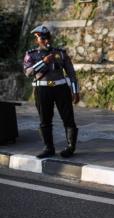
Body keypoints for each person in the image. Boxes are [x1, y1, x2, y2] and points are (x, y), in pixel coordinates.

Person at [23, 25, 80, 159]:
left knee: (68, 119)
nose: (45, 40)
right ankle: (49, 148)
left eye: (47, 37)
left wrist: (75, 91)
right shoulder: (31, 54)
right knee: (45, 120)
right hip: (42, 89)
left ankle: (70, 148)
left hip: (61, 89)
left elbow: (71, 73)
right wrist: (43, 62)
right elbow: (28, 72)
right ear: (37, 40)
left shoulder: (60, 53)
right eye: (42, 38)